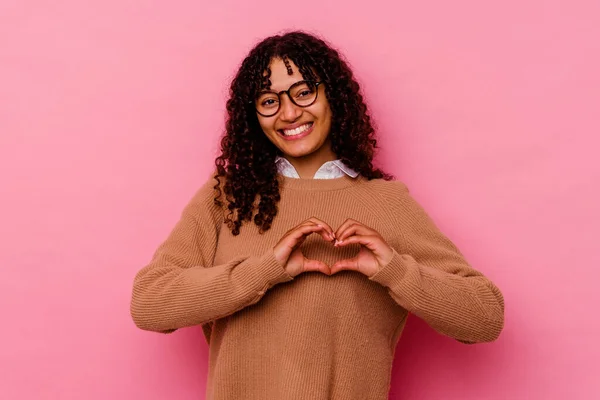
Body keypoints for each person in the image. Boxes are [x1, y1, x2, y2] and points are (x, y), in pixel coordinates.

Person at [130, 30, 505, 399]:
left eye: (304, 92)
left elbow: (484, 317)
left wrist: (395, 270)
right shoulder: (228, 195)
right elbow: (149, 303)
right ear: (254, 115)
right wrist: (264, 271)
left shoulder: (385, 202)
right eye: (269, 100)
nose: (290, 113)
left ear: (333, 97)